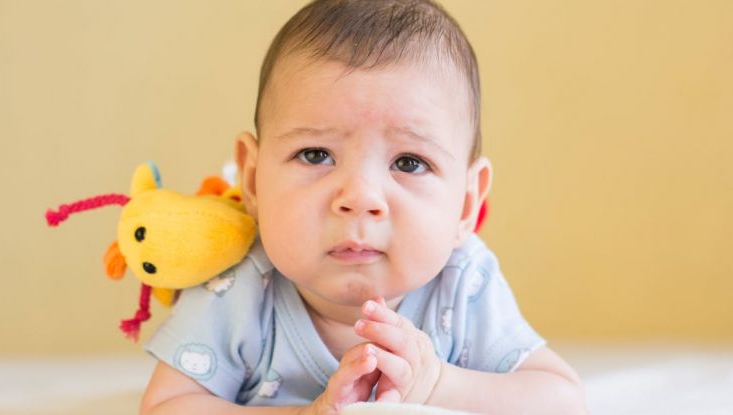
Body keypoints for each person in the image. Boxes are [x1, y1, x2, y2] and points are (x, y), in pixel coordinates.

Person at [140, 1, 586, 414]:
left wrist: (437, 384)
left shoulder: (463, 284)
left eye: (409, 163)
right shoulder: (238, 288)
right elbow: (167, 406)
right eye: (316, 154)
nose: (359, 197)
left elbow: (563, 401)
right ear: (253, 179)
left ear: (467, 203)